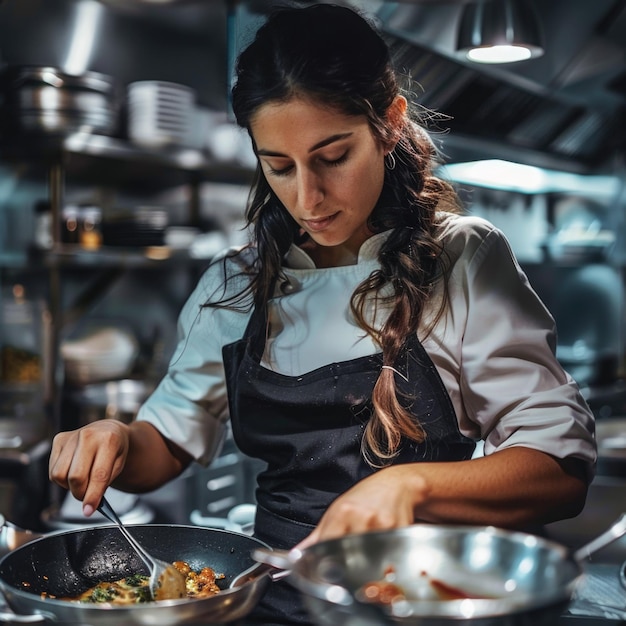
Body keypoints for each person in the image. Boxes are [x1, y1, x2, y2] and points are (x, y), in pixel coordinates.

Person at [49, 4, 596, 624]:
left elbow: (560, 470)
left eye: (332, 157)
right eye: (278, 166)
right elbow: (167, 444)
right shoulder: (234, 285)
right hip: (271, 602)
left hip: (416, 599)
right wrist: (118, 441)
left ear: (388, 124)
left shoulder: (464, 259)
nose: (307, 197)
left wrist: (409, 486)